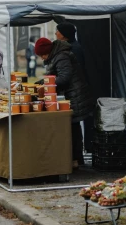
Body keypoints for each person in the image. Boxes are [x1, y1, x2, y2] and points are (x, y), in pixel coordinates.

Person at [34, 37, 94, 167]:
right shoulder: (57, 55)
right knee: (73, 127)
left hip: (74, 96)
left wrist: (46, 85)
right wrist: (41, 83)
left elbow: (64, 77)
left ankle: (75, 160)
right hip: (71, 95)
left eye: (42, 55)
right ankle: (75, 160)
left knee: (72, 128)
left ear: (47, 52)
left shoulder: (61, 57)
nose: (42, 58)